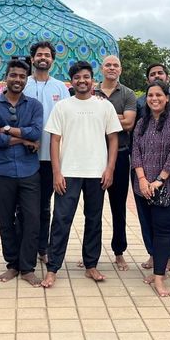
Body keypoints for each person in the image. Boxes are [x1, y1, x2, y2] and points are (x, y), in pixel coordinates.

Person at [41, 61, 121, 288]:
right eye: (77, 78)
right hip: (69, 172)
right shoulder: (63, 106)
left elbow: (113, 138)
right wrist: (57, 172)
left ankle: (91, 265)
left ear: (92, 79)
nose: (82, 81)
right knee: (61, 220)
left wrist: (110, 168)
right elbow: (54, 140)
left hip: (97, 173)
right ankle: (53, 268)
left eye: (86, 77)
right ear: (72, 81)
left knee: (94, 220)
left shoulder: (104, 106)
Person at [0, 59, 43, 287]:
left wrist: (8, 131)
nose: (17, 79)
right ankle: (13, 264)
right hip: (3, 171)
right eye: (13, 75)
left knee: (31, 219)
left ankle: (27, 267)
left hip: (29, 171)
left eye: (21, 76)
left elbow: (36, 132)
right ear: (6, 77)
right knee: (5, 219)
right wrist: (23, 138)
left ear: (26, 79)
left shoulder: (34, 105)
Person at [132, 80, 170, 297]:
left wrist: (159, 181)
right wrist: (143, 180)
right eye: (150, 95)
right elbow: (135, 152)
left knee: (164, 231)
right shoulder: (141, 123)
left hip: (169, 186)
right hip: (143, 186)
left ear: (167, 98)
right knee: (152, 229)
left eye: (158, 95)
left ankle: (160, 278)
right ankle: (156, 271)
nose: (154, 99)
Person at [23, 41, 70, 263]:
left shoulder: (60, 87)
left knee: (44, 207)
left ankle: (43, 248)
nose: (43, 58)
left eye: (47, 55)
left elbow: (68, 120)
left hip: (50, 158)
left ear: (52, 60)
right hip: (24, 156)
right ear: (32, 59)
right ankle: (24, 249)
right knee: (23, 207)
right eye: (39, 54)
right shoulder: (23, 84)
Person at [94, 55, 136, 270]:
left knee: (118, 207)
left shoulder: (127, 94)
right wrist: (114, 116)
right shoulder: (91, 91)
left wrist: (99, 116)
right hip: (93, 156)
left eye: (116, 65)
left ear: (120, 69)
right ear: (102, 68)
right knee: (93, 209)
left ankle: (119, 251)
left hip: (120, 156)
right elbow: (86, 119)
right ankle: (91, 253)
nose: (112, 68)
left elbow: (128, 123)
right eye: (108, 65)